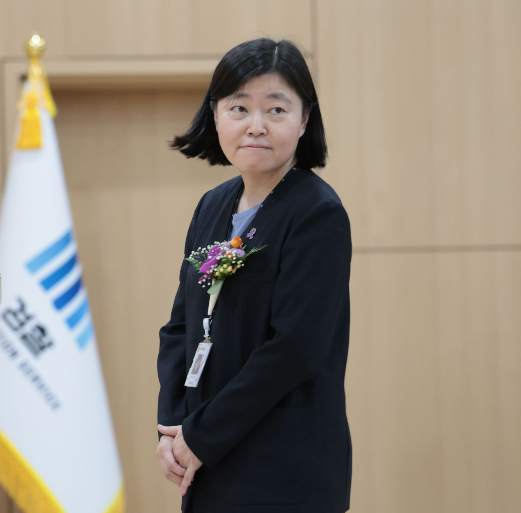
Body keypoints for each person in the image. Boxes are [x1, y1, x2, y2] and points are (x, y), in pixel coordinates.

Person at [156, 38, 352, 513]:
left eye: (276, 109)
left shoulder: (317, 213)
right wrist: (173, 428)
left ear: (304, 120)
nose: (256, 125)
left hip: (283, 472)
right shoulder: (212, 205)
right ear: (216, 115)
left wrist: (200, 436)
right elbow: (181, 328)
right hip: (208, 464)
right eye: (239, 108)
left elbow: (295, 349)